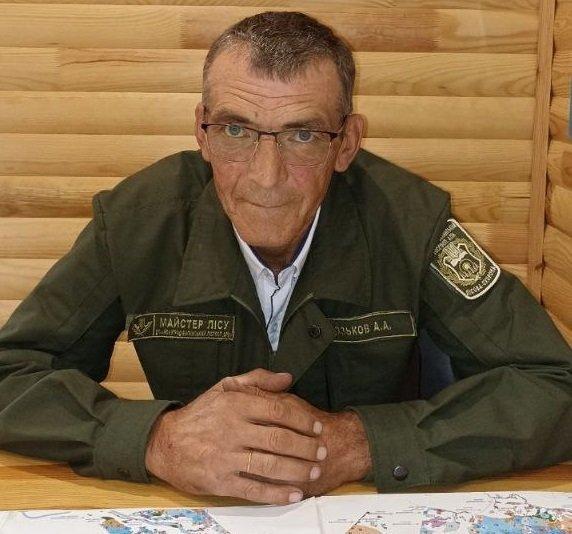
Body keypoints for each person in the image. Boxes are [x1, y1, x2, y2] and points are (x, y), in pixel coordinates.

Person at [0, 11, 570, 506]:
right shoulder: (136, 221)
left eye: (302, 136)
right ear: (202, 132)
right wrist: (156, 440)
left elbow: (555, 385)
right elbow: (11, 373)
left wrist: (362, 442)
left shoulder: (411, 222)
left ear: (346, 144)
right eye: (236, 130)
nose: (266, 178)